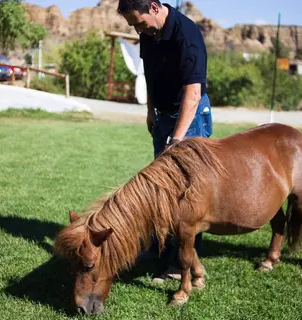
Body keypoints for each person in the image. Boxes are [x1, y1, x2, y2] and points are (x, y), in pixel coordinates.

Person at [117, 0, 213, 283]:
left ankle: (182, 261)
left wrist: (178, 139)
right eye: (132, 25)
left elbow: (193, 94)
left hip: (190, 116)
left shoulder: (187, 34)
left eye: (139, 22)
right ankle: (161, 247)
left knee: (187, 192)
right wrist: (150, 110)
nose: (137, 29)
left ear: (154, 8)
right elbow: (148, 73)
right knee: (163, 187)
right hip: (162, 115)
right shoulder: (148, 33)